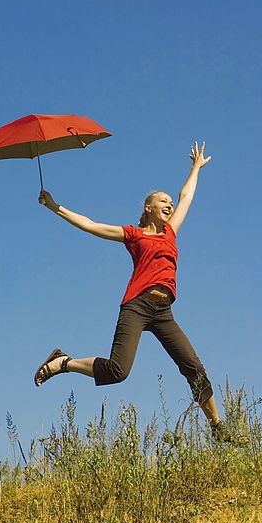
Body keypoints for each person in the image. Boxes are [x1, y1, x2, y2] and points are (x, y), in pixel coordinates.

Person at [34, 141, 234, 442]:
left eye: (169, 202)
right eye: (162, 201)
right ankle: (64, 362)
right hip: (137, 306)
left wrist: (195, 167)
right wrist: (54, 206)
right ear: (148, 208)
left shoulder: (171, 232)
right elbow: (90, 225)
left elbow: (187, 197)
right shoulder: (134, 235)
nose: (168, 205)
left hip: (164, 312)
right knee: (118, 371)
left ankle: (219, 429)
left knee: (193, 366)